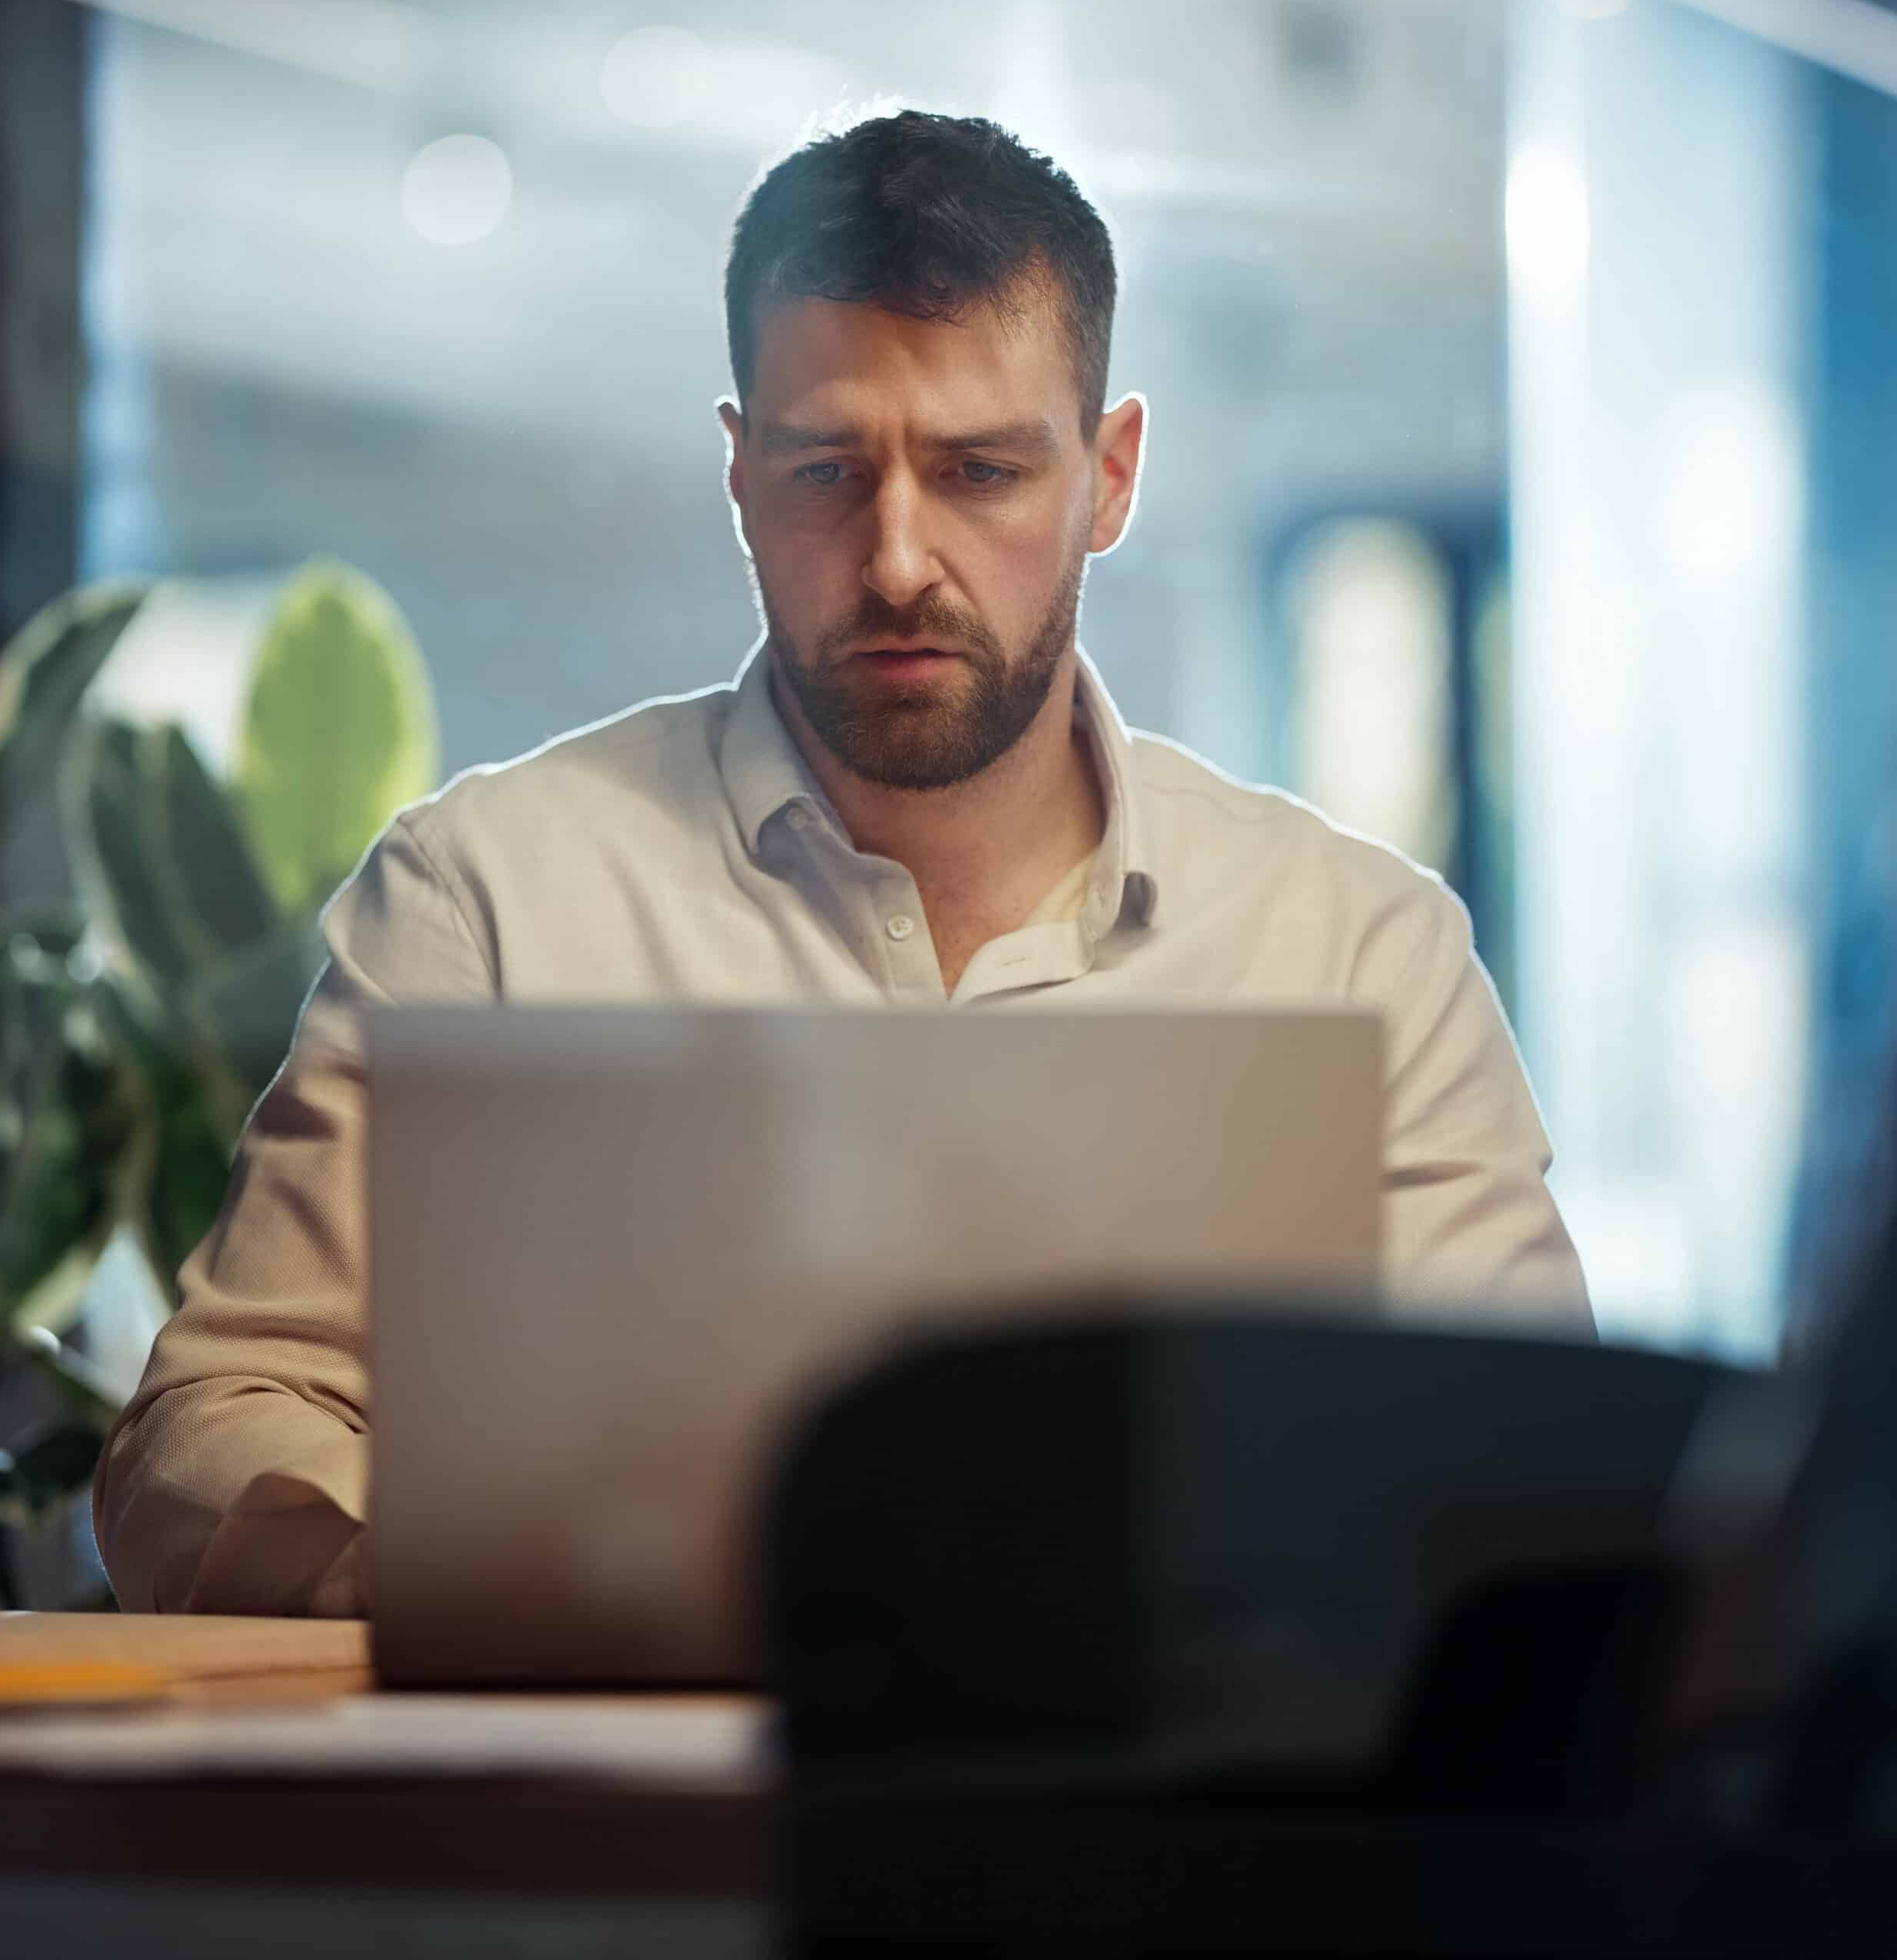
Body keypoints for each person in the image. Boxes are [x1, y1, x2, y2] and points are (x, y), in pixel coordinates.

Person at [95, 107, 1589, 1616]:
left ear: (1110, 473)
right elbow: (205, 1431)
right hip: (624, 1835)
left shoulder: (1354, 952)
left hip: (1185, 1838)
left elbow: (1536, 1488)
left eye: (980, 470)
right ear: (739, 474)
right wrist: (537, 1581)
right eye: (823, 472)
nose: (892, 558)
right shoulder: (484, 898)